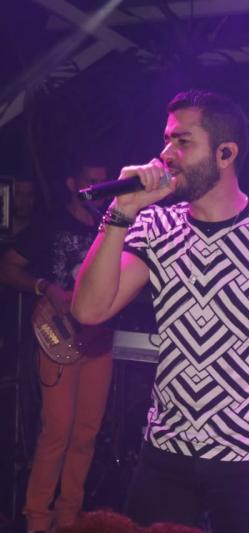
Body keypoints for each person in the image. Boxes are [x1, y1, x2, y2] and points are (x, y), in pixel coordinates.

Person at [70, 90, 249, 533]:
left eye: (183, 142)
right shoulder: (155, 226)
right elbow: (88, 310)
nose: (166, 154)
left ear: (225, 154)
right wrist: (120, 213)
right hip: (167, 452)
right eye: (166, 140)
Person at [0, 162, 112, 533]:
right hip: (57, 337)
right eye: (91, 182)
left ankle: (68, 517)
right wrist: (44, 287)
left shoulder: (109, 228)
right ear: (71, 183)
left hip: (97, 340)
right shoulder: (49, 226)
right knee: (57, 430)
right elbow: (8, 267)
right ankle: (36, 518)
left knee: (86, 432)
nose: (98, 189)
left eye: (103, 182)